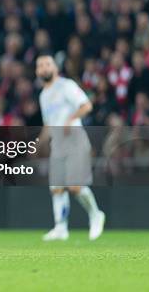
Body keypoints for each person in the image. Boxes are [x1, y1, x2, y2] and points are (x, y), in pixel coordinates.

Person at [36, 55, 105, 241]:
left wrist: (70, 118)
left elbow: (86, 106)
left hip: (75, 139)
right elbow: (48, 125)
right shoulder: (43, 96)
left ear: (55, 68)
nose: (44, 68)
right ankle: (60, 228)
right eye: (40, 65)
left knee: (75, 186)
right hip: (58, 144)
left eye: (47, 64)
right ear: (37, 71)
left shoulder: (66, 86)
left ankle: (96, 214)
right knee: (57, 188)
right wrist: (39, 142)